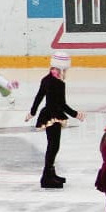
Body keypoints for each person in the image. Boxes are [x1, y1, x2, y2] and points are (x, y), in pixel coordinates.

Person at [27, 51, 85, 189]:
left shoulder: (46, 79)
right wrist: (76, 114)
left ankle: (50, 173)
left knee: (52, 146)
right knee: (53, 147)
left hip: (48, 115)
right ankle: (46, 177)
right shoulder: (58, 83)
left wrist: (33, 112)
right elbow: (62, 104)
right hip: (54, 117)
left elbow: (39, 96)